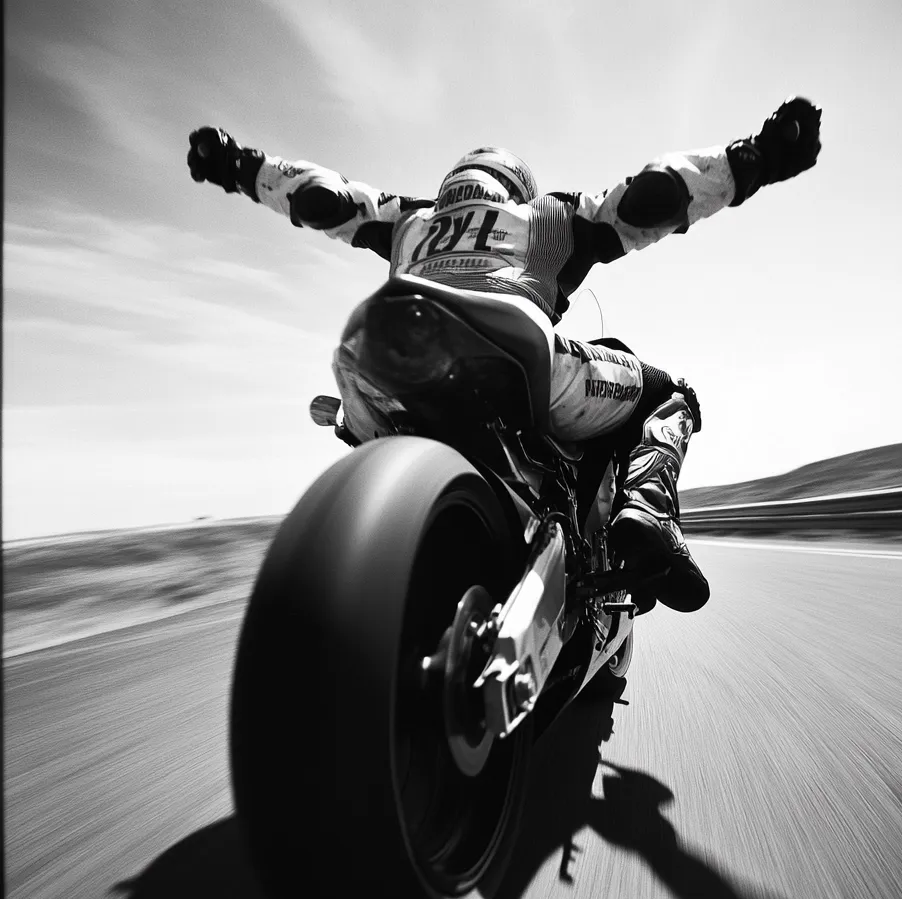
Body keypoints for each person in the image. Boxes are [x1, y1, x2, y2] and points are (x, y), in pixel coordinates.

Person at [187, 97, 821, 614]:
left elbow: (324, 197)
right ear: (516, 185)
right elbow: (649, 198)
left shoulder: (409, 222)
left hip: (380, 363)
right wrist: (754, 159)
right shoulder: (546, 217)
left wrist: (241, 167)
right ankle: (649, 511)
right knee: (671, 395)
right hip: (518, 362)